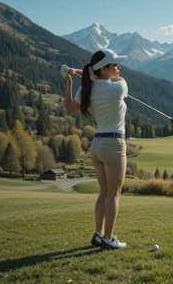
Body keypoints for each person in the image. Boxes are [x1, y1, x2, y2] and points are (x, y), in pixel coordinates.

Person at [61, 49, 128, 250]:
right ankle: (109, 238)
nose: (118, 67)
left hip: (97, 145)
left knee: (104, 194)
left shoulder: (86, 91)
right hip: (114, 145)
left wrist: (70, 81)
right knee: (114, 194)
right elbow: (120, 78)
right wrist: (89, 74)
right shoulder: (119, 87)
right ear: (104, 68)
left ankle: (99, 234)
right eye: (114, 64)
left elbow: (68, 108)